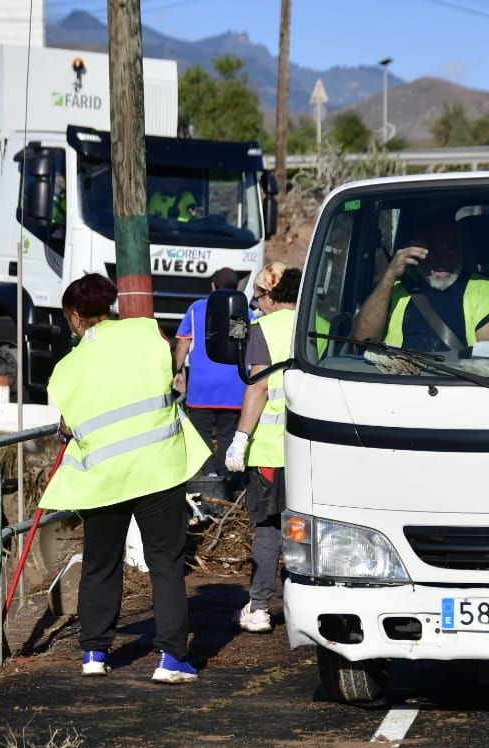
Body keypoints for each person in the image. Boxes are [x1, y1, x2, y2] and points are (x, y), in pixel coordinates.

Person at [40, 274, 211, 683]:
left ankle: (95, 653)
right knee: (165, 564)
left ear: (77, 317)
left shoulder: (67, 367)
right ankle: (171, 660)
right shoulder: (146, 334)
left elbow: (67, 424)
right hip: (158, 470)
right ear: (110, 308)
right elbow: (168, 374)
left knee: (101, 563)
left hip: (104, 478)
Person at [223, 265, 301, 633]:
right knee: (308, 527)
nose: (255, 302)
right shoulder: (314, 325)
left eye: (258, 295)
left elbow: (257, 387)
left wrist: (239, 439)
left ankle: (259, 607)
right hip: (312, 450)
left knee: (269, 528)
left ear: (271, 295)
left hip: (270, 451)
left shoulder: (262, 330)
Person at [352, 209, 489, 352]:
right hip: (395, 382)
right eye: (433, 250)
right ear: (417, 252)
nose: (443, 260)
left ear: (461, 250)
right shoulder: (394, 290)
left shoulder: (485, 290)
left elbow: (488, 358)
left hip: (460, 384)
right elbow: (362, 338)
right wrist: (389, 276)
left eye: (450, 249)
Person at [173, 267, 247, 480]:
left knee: (200, 436)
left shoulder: (197, 308)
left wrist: (176, 371)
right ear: (236, 287)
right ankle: (225, 479)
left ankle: (209, 474)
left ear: (212, 286)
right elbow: (240, 344)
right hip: (234, 388)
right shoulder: (241, 310)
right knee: (227, 436)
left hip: (202, 388)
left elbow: (183, 344)